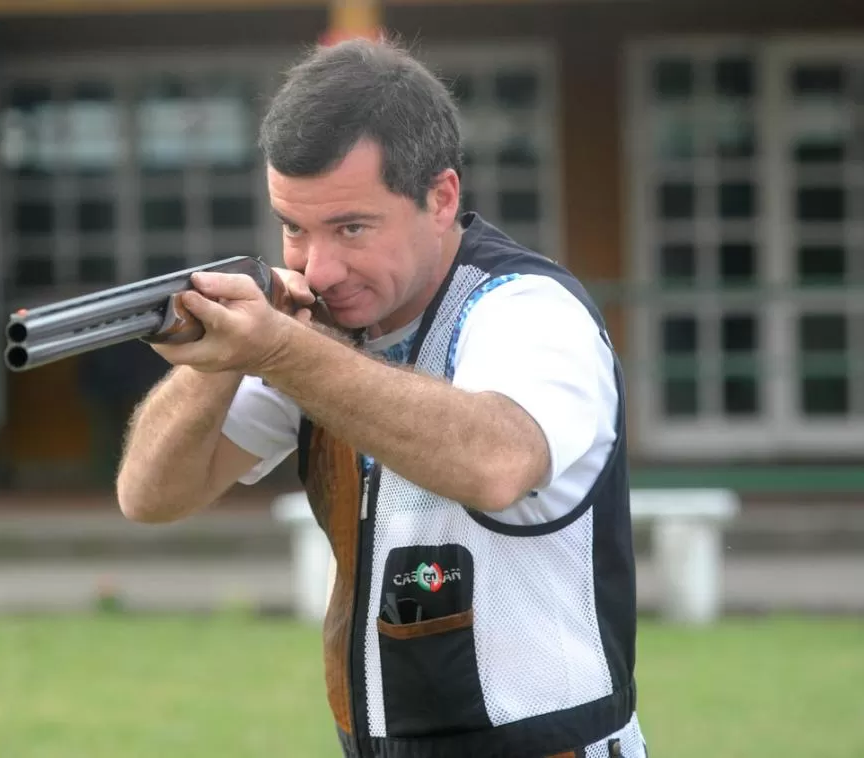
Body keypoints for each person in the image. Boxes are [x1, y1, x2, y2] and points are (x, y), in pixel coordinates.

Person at [116, 37, 647, 758]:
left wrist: (275, 346)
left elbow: (496, 461)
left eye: (351, 228)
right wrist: (214, 358)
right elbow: (151, 494)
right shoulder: (316, 330)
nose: (320, 266)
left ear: (442, 198)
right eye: (294, 227)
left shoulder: (528, 309)